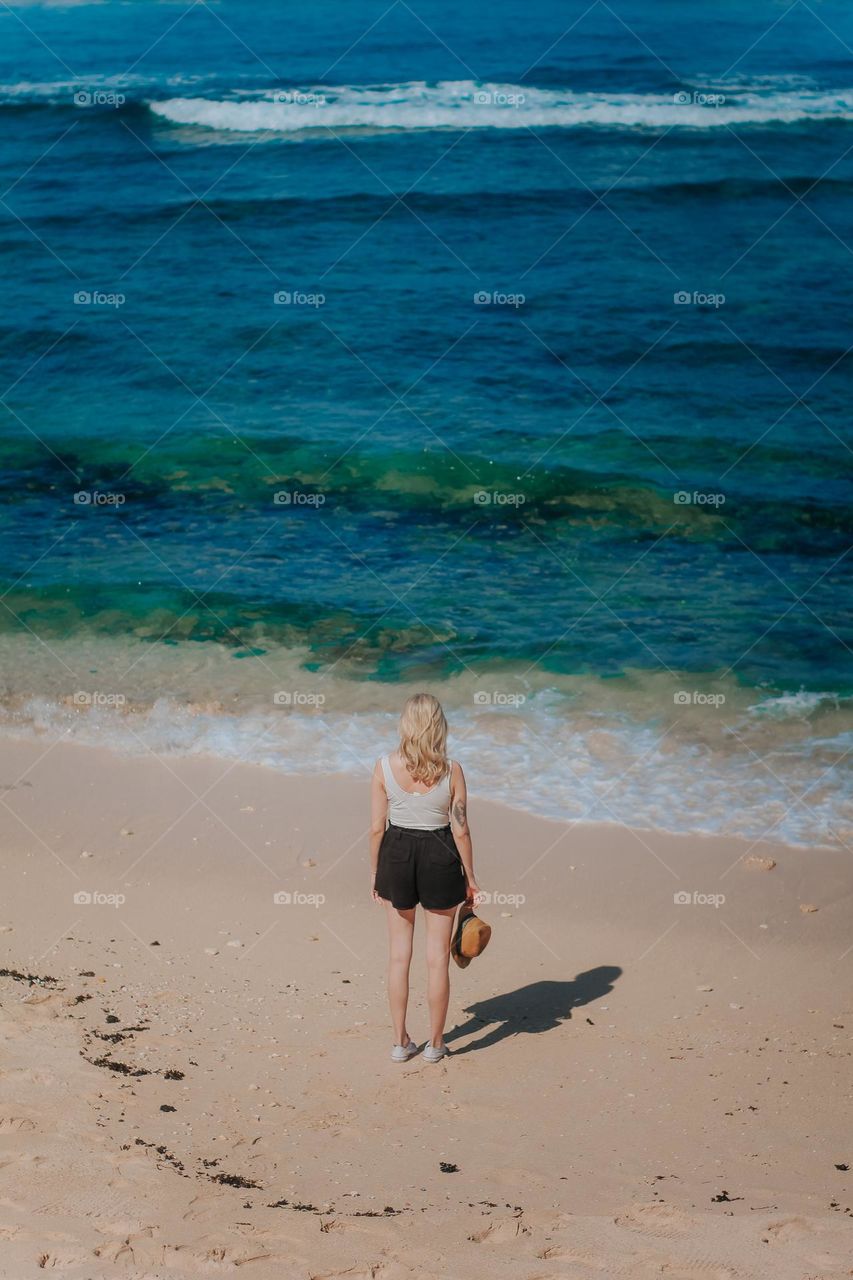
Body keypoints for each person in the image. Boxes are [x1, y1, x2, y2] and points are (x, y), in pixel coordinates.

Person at [370, 693, 481, 1062]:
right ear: (439, 726)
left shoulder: (384, 767)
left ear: (406, 724)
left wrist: (376, 873)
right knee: (437, 959)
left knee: (399, 956)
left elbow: (375, 828)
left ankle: (401, 1042)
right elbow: (461, 829)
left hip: (397, 854)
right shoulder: (453, 770)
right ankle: (436, 1044)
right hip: (441, 855)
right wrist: (471, 878)